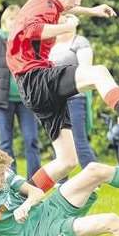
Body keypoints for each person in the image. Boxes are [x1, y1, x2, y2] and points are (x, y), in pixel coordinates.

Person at [6, 0, 119, 193]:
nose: (77, 2)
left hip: (32, 85)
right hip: (35, 77)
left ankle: (16, 199)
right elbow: (33, 30)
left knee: (67, 161)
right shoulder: (43, 5)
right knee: (98, 72)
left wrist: (92, 10)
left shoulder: (49, 2)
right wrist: (66, 27)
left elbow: (65, 9)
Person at [0, 5, 40, 179]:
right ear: (4, 21)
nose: (15, 23)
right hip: (2, 101)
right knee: (5, 144)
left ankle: (35, 182)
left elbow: (37, 70)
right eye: (12, 19)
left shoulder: (28, 42)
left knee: (31, 140)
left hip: (26, 100)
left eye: (18, 19)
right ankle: (10, 181)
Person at [49, 14, 96, 169]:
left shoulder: (80, 42)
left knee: (78, 140)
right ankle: (61, 183)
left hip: (75, 98)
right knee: (60, 141)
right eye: (59, 23)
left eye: (65, 22)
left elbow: (85, 70)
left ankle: (92, 178)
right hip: (55, 101)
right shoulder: (51, 45)